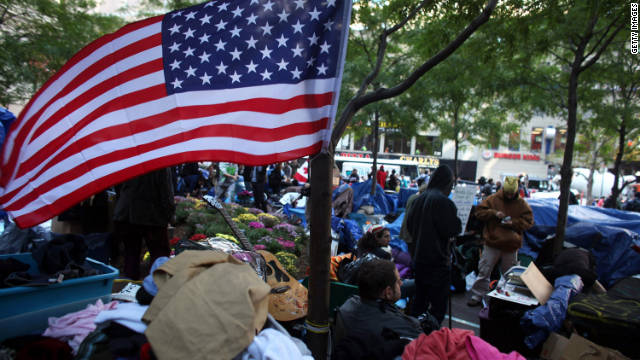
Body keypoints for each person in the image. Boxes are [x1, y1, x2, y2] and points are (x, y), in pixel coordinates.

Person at [406, 165, 461, 323]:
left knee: (420, 300)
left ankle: (416, 334)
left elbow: (409, 225)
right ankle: (429, 337)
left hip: (419, 258)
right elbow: (453, 229)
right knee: (437, 306)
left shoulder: (419, 199)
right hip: (437, 261)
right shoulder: (444, 202)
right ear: (447, 183)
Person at [467, 176, 534, 306]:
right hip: (493, 242)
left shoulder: (522, 204)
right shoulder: (493, 199)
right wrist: (493, 213)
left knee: (510, 274)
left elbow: (529, 222)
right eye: (507, 192)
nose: (509, 195)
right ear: (503, 189)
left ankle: (506, 298)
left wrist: (513, 223)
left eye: (511, 193)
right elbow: (479, 212)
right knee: (484, 270)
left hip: (511, 245)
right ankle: (478, 295)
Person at [338, 259, 425, 341]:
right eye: (398, 281)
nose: (401, 283)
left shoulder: (348, 306)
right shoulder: (404, 328)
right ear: (388, 292)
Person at [113, 168, 175, 280]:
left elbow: (118, 186)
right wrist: (170, 215)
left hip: (127, 213)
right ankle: (155, 287)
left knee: (131, 254)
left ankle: (130, 286)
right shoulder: (161, 162)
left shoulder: (128, 158)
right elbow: (166, 192)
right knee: (159, 254)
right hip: (152, 215)